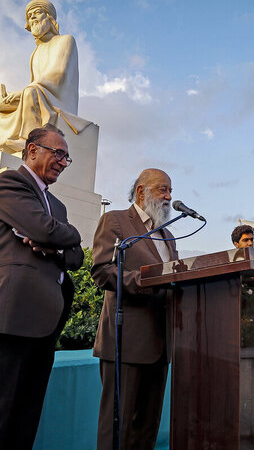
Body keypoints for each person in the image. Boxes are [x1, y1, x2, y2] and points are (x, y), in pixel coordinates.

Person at [0, 125, 85, 449]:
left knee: (24, 421)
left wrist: (58, 243)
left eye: (66, 157)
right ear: (32, 150)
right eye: (57, 153)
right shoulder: (9, 184)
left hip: (45, 325)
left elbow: (76, 256)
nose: (62, 161)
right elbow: (43, 229)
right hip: (10, 319)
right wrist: (64, 235)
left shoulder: (58, 207)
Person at [92, 169, 178, 450]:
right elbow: (103, 271)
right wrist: (149, 281)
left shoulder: (168, 235)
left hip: (161, 344)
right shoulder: (116, 221)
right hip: (126, 342)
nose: (168, 196)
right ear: (142, 192)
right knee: (119, 426)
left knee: (147, 428)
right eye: (162, 189)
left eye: (170, 191)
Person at [0, 0, 81, 157]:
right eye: (30, 16)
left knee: (30, 92)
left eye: (37, 13)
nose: (33, 18)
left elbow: (58, 74)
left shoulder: (66, 40)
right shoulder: (35, 53)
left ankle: (27, 139)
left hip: (60, 97)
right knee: (5, 108)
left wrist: (23, 92)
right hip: (42, 93)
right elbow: (37, 86)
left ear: (49, 17)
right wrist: (11, 99)